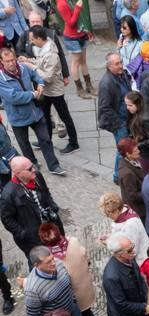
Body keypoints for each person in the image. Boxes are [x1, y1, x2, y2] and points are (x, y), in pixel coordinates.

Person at [37, 224, 109, 316]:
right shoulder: (73, 241)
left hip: (72, 296)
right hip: (85, 287)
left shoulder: (51, 259)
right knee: (87, 314)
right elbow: (86, 257)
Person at [0, 48, 65, 176]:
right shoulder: (1, 79)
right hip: (17, 117)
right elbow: (13, 97)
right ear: (1, 62)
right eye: (7, 61)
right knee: (24, 144)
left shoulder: (24, 68)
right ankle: (32, 163)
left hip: (35, 112)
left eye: (13, 60)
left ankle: (54, 165)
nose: (11, 63)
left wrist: (40, 84)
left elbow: (36, 75)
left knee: (45, 139)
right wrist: (33, 94)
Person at [25, 26, 79, 154]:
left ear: (39, 38)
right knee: (45, 116)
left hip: (55, 90)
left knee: (65, 117)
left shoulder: (51, 54)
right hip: (47, 91)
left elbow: (48, 77)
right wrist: (27, 60)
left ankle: (73, 142)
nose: (31, 41)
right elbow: (40, 62)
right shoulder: (43, 48)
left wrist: (32, 67)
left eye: (32, 39)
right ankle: (47, 139)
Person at [1, 158, 64, 259]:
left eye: (33, 166)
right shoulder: (8, 194)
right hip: (33, 239)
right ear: (18, 173)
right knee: (42, 262)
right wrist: (24, 234)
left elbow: (46, 192)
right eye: (29, 169)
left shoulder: (37, 176)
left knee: (61, 253)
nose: (34, 169)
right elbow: (6, 219)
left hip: (52, 227)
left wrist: (53, 206)